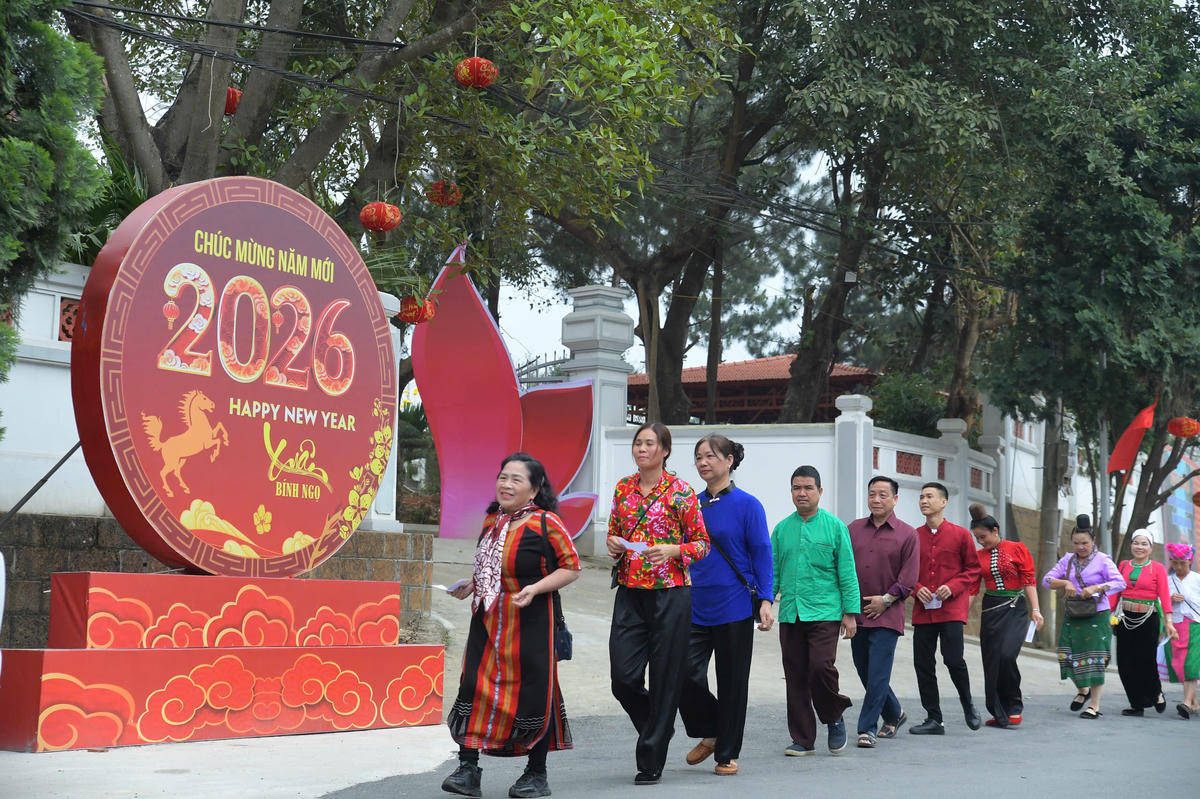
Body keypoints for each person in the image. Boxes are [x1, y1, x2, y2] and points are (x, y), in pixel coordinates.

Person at [443, 452, 582, 799]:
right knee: (475, 685)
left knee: (535, 691)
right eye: (503, 477)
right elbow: (492, 568)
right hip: (488, 619)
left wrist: (536, 587)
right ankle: (468, 769)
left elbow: (571, 567)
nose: (506, 484)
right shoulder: (493, 521)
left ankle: (536, 775)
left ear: (534, 490)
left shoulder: (547, 523)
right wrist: (472, 583)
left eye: (516, 479)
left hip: (531, 620)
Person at [606, 422, 710, 786]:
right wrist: (614, 545)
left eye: (649, 443)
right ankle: (658, 728)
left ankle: (650, 759)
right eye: (638, 443)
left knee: (666, 677)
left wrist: (673, 550)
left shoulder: (681, 492)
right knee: (623, 678)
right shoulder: (623, 487)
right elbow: (614, 532)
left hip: (671, 593)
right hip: (630, 591)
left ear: (665, 450)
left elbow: (701, 544)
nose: (641, 449)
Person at [679, 435, 773, 777]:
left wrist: (765, 598)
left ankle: (727, 753)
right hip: (694, 603)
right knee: (682, 673)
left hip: (734, 604)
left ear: (730, 460)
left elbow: (762, 552)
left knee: (732, 681)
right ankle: (714, 728)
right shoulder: (689, 503)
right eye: (699, 457)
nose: (703, 462)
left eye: (711, 456)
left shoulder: (749, 505)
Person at [771, 465, 858, 757]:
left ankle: (833, 716)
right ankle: (803, 739)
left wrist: (850, 612)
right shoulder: (782, 529)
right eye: (797, 488)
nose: (802, 493)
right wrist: (765, 603)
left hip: (825, 611)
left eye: (808, 488)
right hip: (791, 612)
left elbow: (847, 571)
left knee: (820, 667)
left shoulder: (835, 527)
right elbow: (773, 571)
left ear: (820, 492)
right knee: (795, 674)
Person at [847, 475, 918, 748]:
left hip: (888, 614)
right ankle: (894, 713)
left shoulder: (907, 534)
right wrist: (848, 610)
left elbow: (909, 579)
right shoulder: (852, 529)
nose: (876, 500)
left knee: (878, 673)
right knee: (865, 671)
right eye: (872, 494)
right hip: (858, 612)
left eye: (883, 495)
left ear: (895, 499)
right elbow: (844, 569)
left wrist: (886, 600)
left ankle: (867, 728)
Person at [908, 482, 982, 735]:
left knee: (953, 659)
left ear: (943, 502)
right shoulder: (913, 536)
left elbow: (973, 569)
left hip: (951, 610)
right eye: (921, 497)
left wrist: (953, 586)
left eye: (929, 496)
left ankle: (968, 704)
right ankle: (933, 718)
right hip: (923, 610)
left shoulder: (961, 534)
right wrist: (917, 589)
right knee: (923, 663)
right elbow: (904, 573)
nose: (923, 501)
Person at [1041, 514, 1125, 719]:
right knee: (1066, 654)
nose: (1080, 547)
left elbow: (1120, 583)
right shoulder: (1067, 560)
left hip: (1096, 614)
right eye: (1076, 543)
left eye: (1085, 543)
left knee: (1095, 659)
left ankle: (1094, 705)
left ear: (1093, 541)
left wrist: (1098, 586)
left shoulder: (1103, 560)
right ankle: (1083, 689)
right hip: (1073, 613)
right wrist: (1065, 583)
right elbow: (1046, 580)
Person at [970, 503, 1043, 728]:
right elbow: (973, 588)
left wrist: (1036, 610)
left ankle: (1014, 705)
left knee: (1006, 655)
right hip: (991, 608)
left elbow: (1029, 580)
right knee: (991, 661)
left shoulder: (1016, 548)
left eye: (983, 537)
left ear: (995, 530)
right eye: (977, 539)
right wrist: (961, 615)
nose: (981, 542)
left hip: (1015, 606)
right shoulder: (978, 555)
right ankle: (1000, 711)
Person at [1110, 528, 1177, 716]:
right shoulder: (1123, 565)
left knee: (1145, 661)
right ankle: (1136, 703)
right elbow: (1116, 591)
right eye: (1136, 543)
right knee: (1124, 662)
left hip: (1148, 619)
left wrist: (1169, 621)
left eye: (1144, 543)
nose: (1139, 547)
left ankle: (1156, 692)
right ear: (1131, 545)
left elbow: (1164, 595)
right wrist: (1108, 614)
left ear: (1151, 547)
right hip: (1124, 618)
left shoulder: (1157, 568)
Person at [1165, 542, 1200, 718]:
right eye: (1175, 562)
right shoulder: (1168, 580)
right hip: (1175, 626)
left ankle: (1186, 703)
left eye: (1182, 563)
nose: (1178, 567)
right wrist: (1170, 599)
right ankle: (1193, 703)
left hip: (1195, 625)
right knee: (1179, 666)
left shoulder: (1197, 579)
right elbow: (1161, 602)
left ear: (1190, 561)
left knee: (1191, 664)